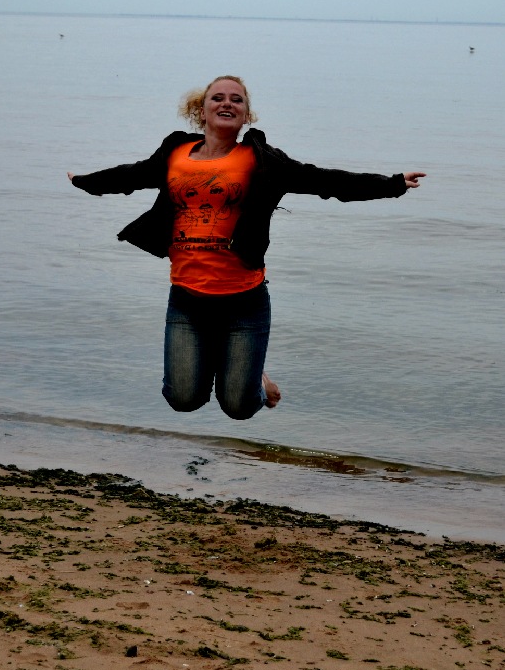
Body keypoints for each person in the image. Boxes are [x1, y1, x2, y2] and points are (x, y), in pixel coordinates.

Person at [67, 75, 425, 420]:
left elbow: (324, 181)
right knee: (183, 399)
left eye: (236, 100)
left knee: (238, 407)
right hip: (187, 299)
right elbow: (131, 175)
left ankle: (256, 380)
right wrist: (85, 182)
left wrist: (392, 184)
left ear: (246, 115)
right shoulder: (175, 154)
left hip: (244, 301)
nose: (227, 103)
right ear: (202, 111)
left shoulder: (264, 161)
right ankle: (232, 362)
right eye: (218, 98)